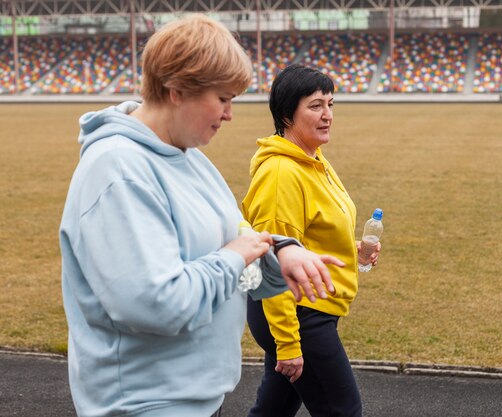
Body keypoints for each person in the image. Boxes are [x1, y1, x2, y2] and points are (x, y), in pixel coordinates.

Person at [59, 17, 340, 417]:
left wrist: (280, 253)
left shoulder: (189, 157)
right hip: (146, 405)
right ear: (177, 90)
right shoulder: (117, 171)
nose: (229, 115)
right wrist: (236, 255)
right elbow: (156, 303)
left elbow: (236, 239)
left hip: (196, 399)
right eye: (223, 98)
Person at [242, 64, 381, 417]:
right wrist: (288, 343)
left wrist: (356, 251)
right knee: (343, 411)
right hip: (299, 315)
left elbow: (312, 237)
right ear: (288, 113)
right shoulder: (281, 173)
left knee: (272, 410)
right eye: (315, 105)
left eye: (330, 104)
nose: (328, 115)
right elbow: (270, 260)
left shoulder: (313, 160)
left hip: (308, 309)